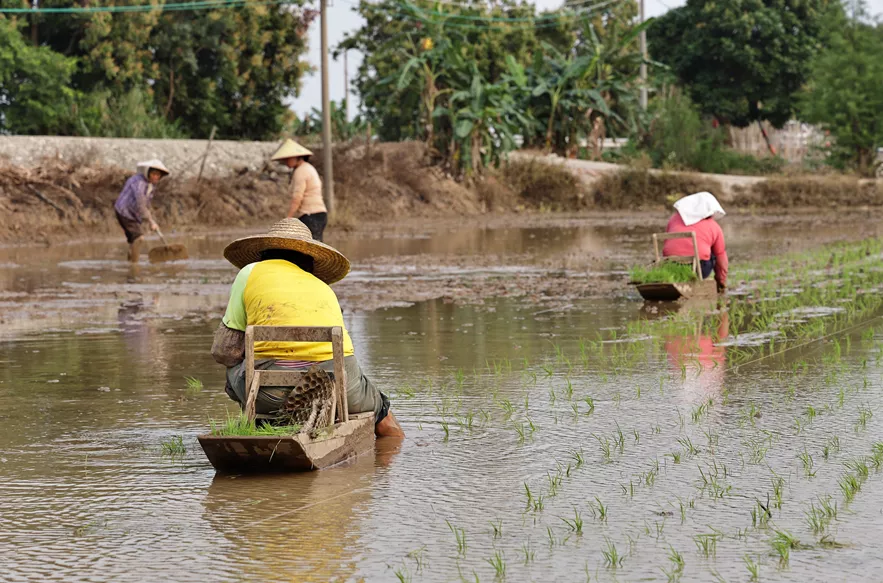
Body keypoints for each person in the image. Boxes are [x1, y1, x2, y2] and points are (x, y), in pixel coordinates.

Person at [210, 218, 404, 438]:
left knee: (234, 368)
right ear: (309, 259)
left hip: (270, 394)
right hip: (339, 388)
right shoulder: (322, 286)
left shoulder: (250, 272)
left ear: (265, 252)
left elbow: (224, 351)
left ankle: (255, 423)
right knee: (382, 409)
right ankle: (393, 452)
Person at [663, 191, 729, 293]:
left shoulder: (673, 219)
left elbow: (669, 244)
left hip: (670, 266)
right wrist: (721, 281)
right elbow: (721, 258)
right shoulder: (714, 226)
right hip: (699, 269)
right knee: (715, 253)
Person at [271, 139, 328, 241]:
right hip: (319, 215)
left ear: (297, 157)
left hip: (311, 215)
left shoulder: (301, 171)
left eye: (288, 158)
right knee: (315, 246)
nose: (286, 161)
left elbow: (297, 197)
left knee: (308, 248)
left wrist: (289, 219)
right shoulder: (308, 168)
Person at [113, 159, 170, 262]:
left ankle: (130, 261)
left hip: (132, 213)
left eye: (158, 175)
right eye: (154, 174)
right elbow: (141, 204)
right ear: (148, 173)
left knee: (133, 241)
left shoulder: (150, 184)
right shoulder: (139, 183)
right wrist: (151, 222)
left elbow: (147, 204)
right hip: (124, 211)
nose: (156, 177)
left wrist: (151, 220)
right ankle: (134, 264)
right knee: (139, 238)